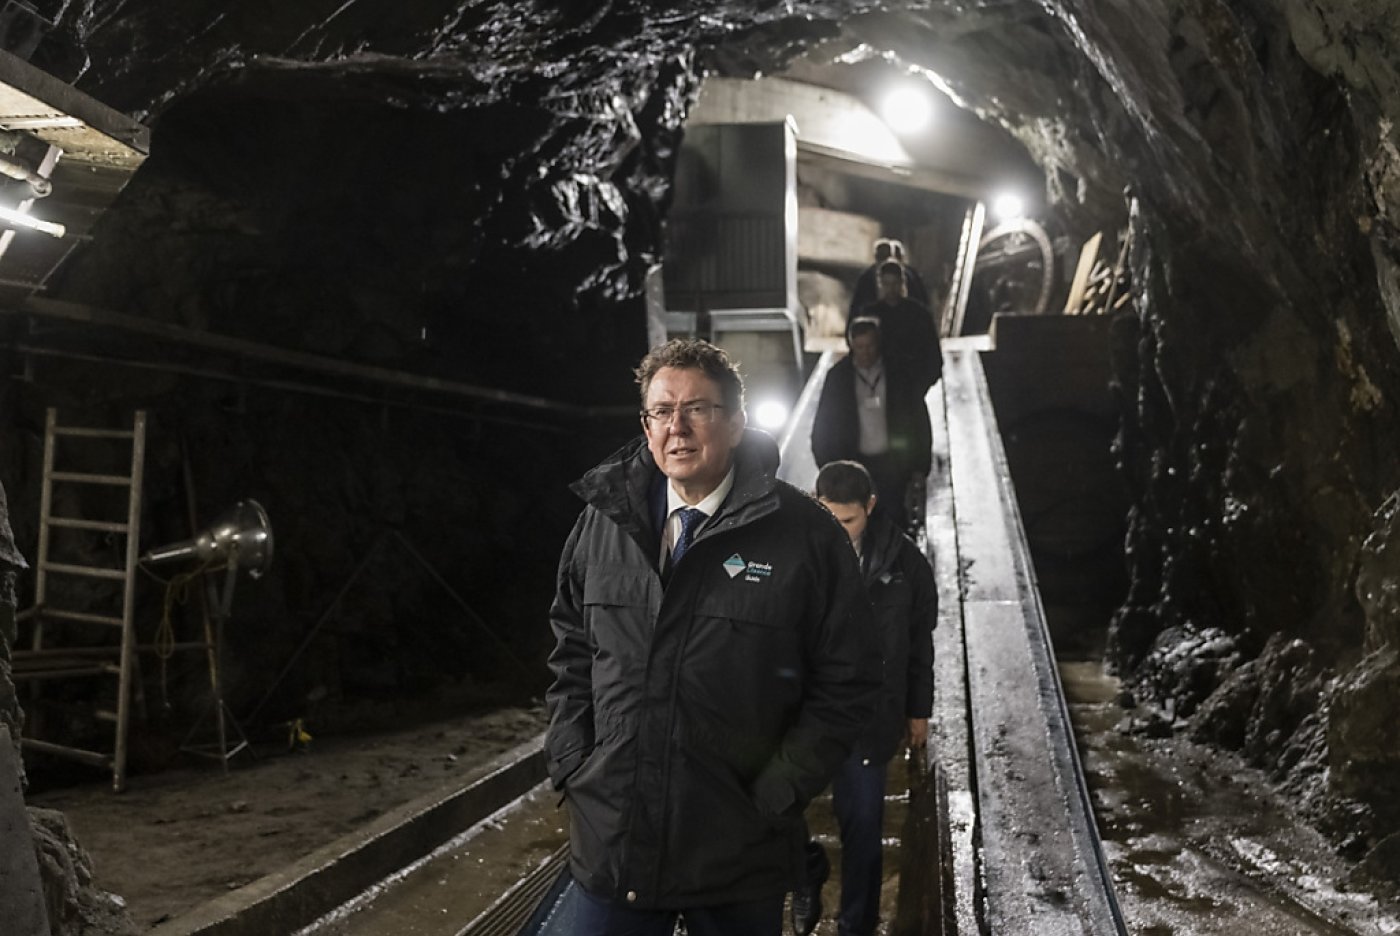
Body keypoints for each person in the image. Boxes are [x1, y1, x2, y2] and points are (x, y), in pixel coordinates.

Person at [546, 338, 882, 936]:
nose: (677, 428)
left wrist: (781, 788)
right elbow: (572, 647)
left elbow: (848, 676)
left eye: (697, 409)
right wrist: (574, 758)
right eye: (661, 411)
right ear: (646, 425)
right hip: (615, 835)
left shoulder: (805, 537)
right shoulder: (603, 525)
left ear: (735, 422)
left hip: (738, 845)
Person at [791, 460, 938, 936]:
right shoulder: (794, 553)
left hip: (867, 717)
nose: (837, 530)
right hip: (804, 715)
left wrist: (918, 710)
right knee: (771, 814)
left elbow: (919, 643)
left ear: (870, 507)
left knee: (863, 831)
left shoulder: (905, 564)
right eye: (828, 517)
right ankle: (805, 868)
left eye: (848, 521)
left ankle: (856, 925)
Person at [811, 317, 932, 530]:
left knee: (894, 519)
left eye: (870, 346)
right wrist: (828, 466)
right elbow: (824, 424)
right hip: (853, 464)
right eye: (859, 347)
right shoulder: (839, 377)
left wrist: (919, 466)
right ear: (851, 346)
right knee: (858, 524)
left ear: (879, 343)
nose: (865, 352)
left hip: (893, 463)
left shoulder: (898, 373)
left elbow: (918, 418)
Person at [860, 258, 942, 397]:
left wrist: (920, 386)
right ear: (880, 284)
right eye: (887, 284)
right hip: (879, 391)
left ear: (902, 283)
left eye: (894, 283)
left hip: (911, 390)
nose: (891, 289)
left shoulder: (919, 314)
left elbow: (933, 355)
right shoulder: (869, 315)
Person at [848, 238, 930, 318]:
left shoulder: (909, 276)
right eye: (881, 256)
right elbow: (856, 307)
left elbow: (921, 302)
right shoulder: (866, 279)